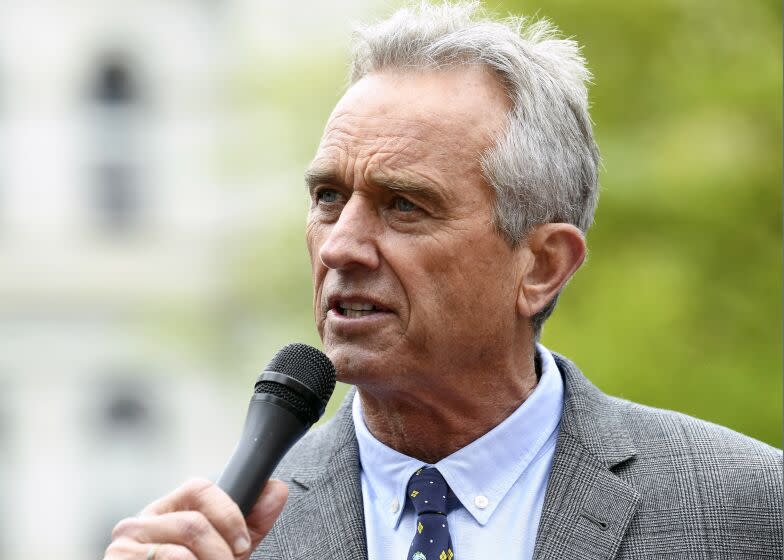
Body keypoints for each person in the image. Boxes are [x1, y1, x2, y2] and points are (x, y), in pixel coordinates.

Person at [104, 2, 782, 559]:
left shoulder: (745, 511)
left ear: (542, 265)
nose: (341, 245)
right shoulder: (224, 541)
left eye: (404, 205)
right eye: (328, 198)